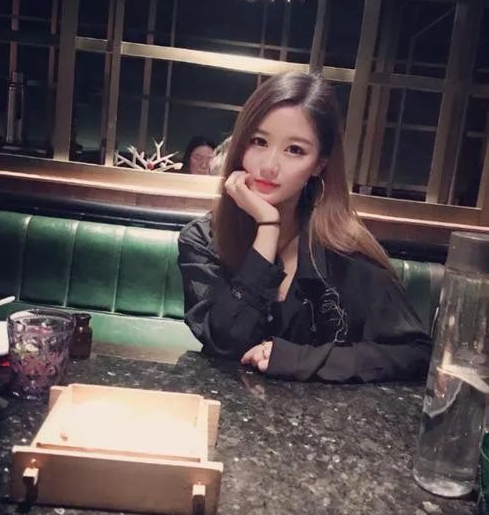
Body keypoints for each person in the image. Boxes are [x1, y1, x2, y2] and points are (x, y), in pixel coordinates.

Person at [177, 72, 431, 383]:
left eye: (295, 150)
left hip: (320, 414)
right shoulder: (203, 240)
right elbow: (225, 343)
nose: (269, 166)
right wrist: (267, 228)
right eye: (259, 142)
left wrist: (300, 360)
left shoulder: (343, 250)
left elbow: (415, 353)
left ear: (319, 164)